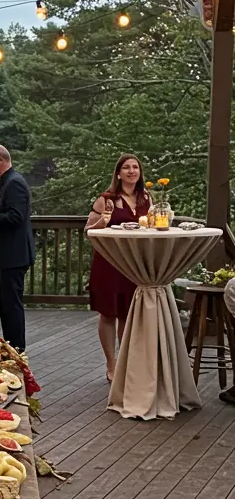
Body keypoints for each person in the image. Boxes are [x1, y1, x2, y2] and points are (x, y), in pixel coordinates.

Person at [86, 153, 152, 382]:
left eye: (135, 167)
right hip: (108, 262)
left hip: (133, 264)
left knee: (126, 314)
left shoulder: (146, 199)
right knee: (108, 313)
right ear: (118, 173)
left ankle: (125, 363)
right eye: (126, 167)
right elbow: (88, 230)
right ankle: (111, 364)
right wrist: (102, 222)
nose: (132, 171)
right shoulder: (106, 199)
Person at [0, 144, 34, 352]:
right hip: (5, 254)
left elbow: (16, 217)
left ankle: (17, 348)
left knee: (11, 303)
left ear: (1, 159)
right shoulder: (3, 182)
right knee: (2, 300)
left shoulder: (14, 183)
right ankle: (9, 344)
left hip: (15, 254)